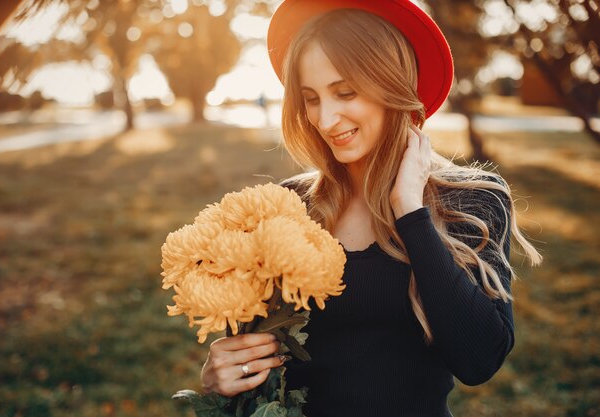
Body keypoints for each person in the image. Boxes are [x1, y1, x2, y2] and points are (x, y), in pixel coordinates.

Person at [199, 1, 542, 416]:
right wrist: (225, 374)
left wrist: (411, 214)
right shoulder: (288, 207)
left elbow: (478, 361)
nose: (325, 120)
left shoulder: (474, 200)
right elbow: (259, 351)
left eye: (345, 92)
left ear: (391, 84)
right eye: (311, 98)